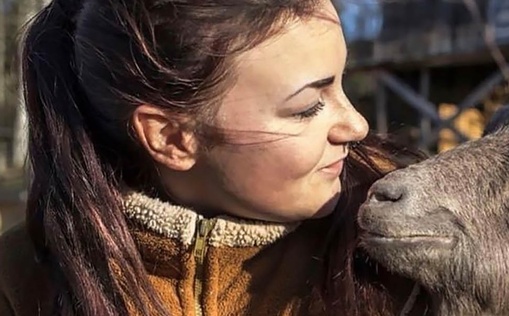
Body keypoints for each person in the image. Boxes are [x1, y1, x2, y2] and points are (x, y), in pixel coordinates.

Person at [0, 0, 430, 315]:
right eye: (306, 107)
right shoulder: (22, 279)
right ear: (171, 138)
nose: (357, 125)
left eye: (341, 84)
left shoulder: (412, 248)